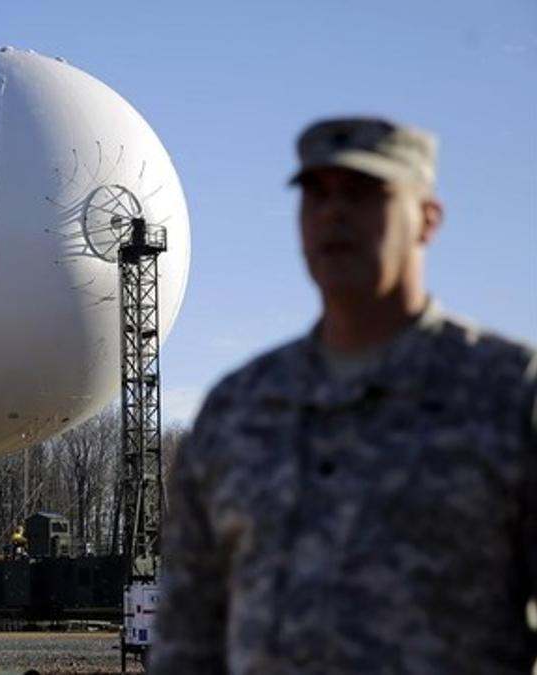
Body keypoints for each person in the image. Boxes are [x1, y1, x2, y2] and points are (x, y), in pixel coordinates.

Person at [151, 116, 536, 673]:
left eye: (364, 192)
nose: (334, 212)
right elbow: (188, 640)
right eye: (316, 193)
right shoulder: (238, 411)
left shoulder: (507, 395)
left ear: (428, 219)